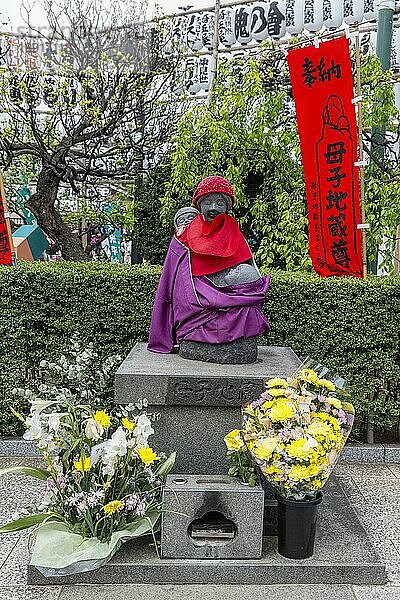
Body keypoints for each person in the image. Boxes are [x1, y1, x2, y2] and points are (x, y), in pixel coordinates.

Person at [147, 176, 270, 358]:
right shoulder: (184, 235)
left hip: (230, 286)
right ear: (200, 206)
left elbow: (245, 266)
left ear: (227, 207)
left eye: (220, 203)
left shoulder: (234, 231)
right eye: (208, 202)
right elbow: (171, 276)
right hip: (196, 292)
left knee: (249, 278)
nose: (213, 208)